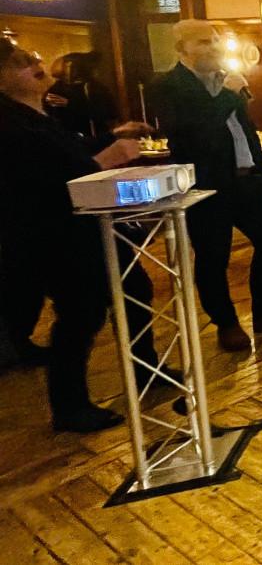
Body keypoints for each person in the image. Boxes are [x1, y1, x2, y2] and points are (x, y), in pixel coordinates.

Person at [0, 38, 176, 432]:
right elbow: (51, 182)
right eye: (22, 62)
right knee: (80, 316)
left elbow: (68, 155)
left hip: (93, 224)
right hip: (55, 235)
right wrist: (109, 156)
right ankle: (69, 405)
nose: (37, 62)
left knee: (135, 293)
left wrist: (110, 139)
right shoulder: (9, 125)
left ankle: (146, 369)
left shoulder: (37, 114)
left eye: (33, 56)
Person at [150, 20, 262, 352]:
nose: (212, 48)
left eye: (214, 41)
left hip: (245, 181)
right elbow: (195, 130)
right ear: (181, 49)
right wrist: (230, 95)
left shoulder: (226, 83)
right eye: (202, 43)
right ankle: (226, 323)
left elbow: (244, 130)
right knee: (213, 257)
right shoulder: (169, 87)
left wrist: (258, 168)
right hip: (207, 186)